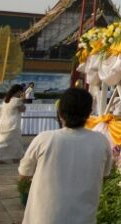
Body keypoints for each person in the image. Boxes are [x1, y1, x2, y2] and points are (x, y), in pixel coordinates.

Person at [19, 87, 112, 224]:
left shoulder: (45, 139)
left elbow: (24, 175)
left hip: (44, 217)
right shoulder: (101, 141)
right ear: (89, 113)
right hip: (83, 218)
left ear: (60, 112)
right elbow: (104, 177)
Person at [0, 84, 26, 163]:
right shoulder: (17, 100)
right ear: (19, 91)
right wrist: (23, 100)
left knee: (1, 142)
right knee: (15, 142)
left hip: (3, 123)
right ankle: (16, 158)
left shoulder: (5, 100)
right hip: (13, 123)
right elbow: (23, 109)